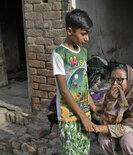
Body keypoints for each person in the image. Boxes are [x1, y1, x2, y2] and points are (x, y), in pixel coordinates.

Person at [51, 9, 99, 154]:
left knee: (84, 150)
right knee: (72, 151)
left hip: (85, 111)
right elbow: (64, 91)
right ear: (70, 31)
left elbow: (83, 84)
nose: (87, 38)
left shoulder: (83, 52)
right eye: (83, 34)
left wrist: (93, 107)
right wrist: (83, 117)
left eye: (88, 33)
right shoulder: (59, 54)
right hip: (69, 115)